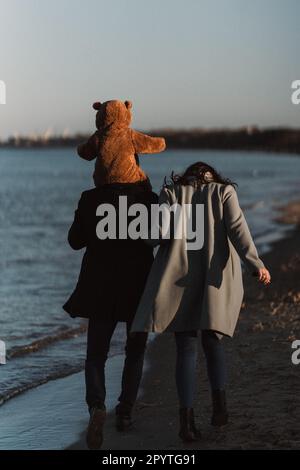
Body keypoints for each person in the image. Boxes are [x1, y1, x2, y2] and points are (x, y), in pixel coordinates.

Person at [131, 162, 271, 442]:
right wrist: (256, 264)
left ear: (186, 177)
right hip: (211, 280)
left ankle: (186, 422)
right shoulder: (224, 192)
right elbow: (237, 229)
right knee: (212, 339)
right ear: (213, 176)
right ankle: (220, 409)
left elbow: (153, 237)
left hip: (176, 280)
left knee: (185, 348)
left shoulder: (171, 193)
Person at [63, 182, 158, 449]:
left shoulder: (90, 198)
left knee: (96, 354)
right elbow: (158, 237)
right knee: (136, 350)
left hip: (100, 287)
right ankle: (125, 413)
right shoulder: (148, 198)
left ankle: (96, 406)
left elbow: (74, 241)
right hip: (138, 285)